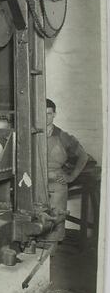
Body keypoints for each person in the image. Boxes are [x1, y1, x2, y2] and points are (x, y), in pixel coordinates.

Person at [45, 98, 89, 242]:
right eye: (42, 114)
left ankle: (53, 249)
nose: (45, 117)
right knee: (36, 221)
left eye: (49, 113)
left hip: (56, 185)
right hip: (35, 183)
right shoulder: (32, 134)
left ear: (54, 114)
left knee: (55, 221)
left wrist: (71, 177)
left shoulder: (62, 136)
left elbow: (83, 156)